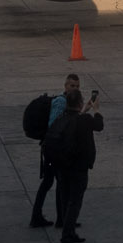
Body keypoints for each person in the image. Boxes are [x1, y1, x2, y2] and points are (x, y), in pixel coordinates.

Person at [49, 87, 103, 243]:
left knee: (66, 200)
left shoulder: (61, 118)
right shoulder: (85, 120)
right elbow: (99, 125)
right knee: (75, 202)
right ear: (79, 103)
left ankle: (70, 232)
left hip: (62, 167)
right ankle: (66, 239)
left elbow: (75, 122)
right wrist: (96, 109)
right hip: (78, 168)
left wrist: (84, 110)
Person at [30, 74, 83, 228]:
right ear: (65, 86)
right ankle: (57, 218)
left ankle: (54, 217)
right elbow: (55, 124)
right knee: (54, 182)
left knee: (52, 182)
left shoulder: (69, 102)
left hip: (53, 148)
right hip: (53, 149)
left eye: (77, 86)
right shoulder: (61, 102)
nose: (75, 89)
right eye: (72, 86)